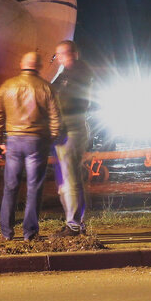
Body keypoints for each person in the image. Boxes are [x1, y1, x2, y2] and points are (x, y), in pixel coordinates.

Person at [0, 51, 61, 241]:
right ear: (39, 66)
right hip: (37, 141)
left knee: (10, 186)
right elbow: (56, 118)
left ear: (21, 64)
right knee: (34, 186)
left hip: (13, 141)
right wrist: (50, 139)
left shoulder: (7, 86)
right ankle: (29, 233)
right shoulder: (46, 87)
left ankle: (6, 232)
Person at [50, 40, 95, 236]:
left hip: (71, 129)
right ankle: (73, 221)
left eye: (57, 55)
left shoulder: (77, 73)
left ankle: (74, 224)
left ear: (65, 54)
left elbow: (64, 101)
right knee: (67, 177)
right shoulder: (70, 74)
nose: (56, 59)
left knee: (71, 177)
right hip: (67, 128)